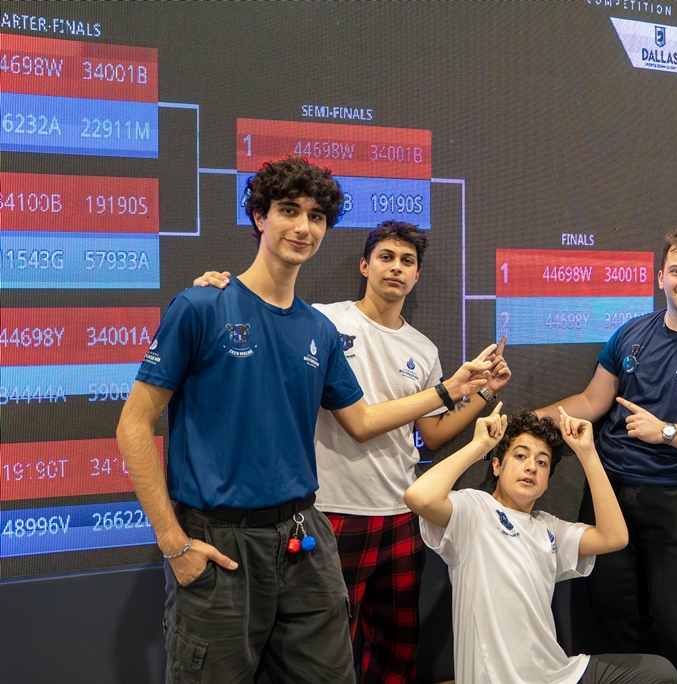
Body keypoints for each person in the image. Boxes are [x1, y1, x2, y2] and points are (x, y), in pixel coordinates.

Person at [116, 157, 493, 684]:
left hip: (304, 536)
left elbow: (363, 419)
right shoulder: (201, 306)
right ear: (259, 216)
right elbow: (134, 424)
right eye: (289, 211)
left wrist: (453, 390)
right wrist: (172, 542)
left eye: (316, 216)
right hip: (219, 541)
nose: (303, 227)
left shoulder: (318, 330)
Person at [193, 221, 511, 683]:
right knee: (323, 648)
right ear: (365, 265)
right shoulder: (323, 321)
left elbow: (432, 434)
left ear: (417, 275)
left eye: (407, 261)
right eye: (386, 257)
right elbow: (262, 317)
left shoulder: (423, 349)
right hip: (331, 511)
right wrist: (218, 294)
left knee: (397, 648)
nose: (396, 268)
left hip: (401, 514)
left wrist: (483, 393)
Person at [536, 227, 677, 680]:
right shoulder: (631, 333)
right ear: (661, 277)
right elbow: (591, 402)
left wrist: (667, 433)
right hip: (610, 494)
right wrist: (525, 421)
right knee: (610, 616)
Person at [404, 405, 677, 684]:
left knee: (661, 671)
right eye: (520, 456)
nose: (531, 467)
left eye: (542, 462)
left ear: (547, 481)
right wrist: (479, 446)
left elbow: (615, 537)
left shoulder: (548, 527)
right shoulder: (474, 508)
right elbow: (419, 497)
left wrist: (588, 453)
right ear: (497, 465)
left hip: (558, 674)